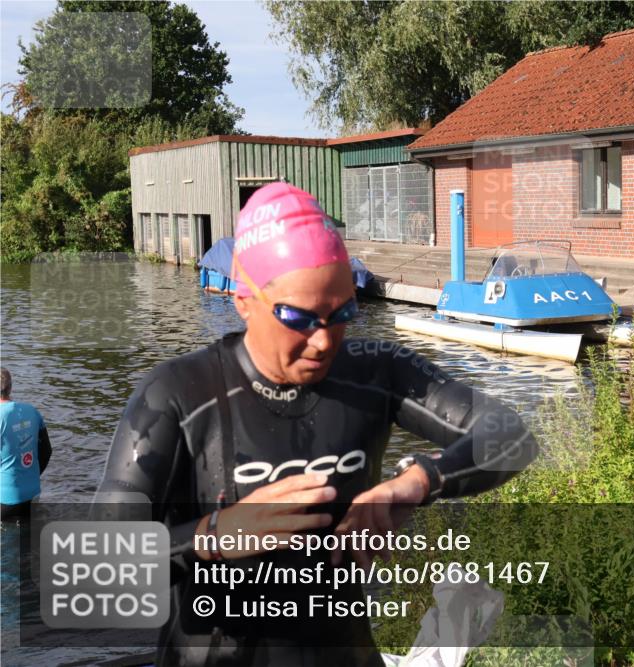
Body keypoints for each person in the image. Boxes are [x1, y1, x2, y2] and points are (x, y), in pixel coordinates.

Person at [97, 183, 538, 666]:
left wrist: (417, 483)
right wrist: (214, 536)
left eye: (342, 312)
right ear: (244, 299)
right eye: (298, 317)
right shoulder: (177, 394)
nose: (325, 340)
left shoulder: (376, 370)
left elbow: (513, 437)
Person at [0, 367, 52, 522]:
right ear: (10, 387)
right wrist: (31, 476)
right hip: (33, 494)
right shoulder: (32, 411)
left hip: (4, 501)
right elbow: (47, 451)